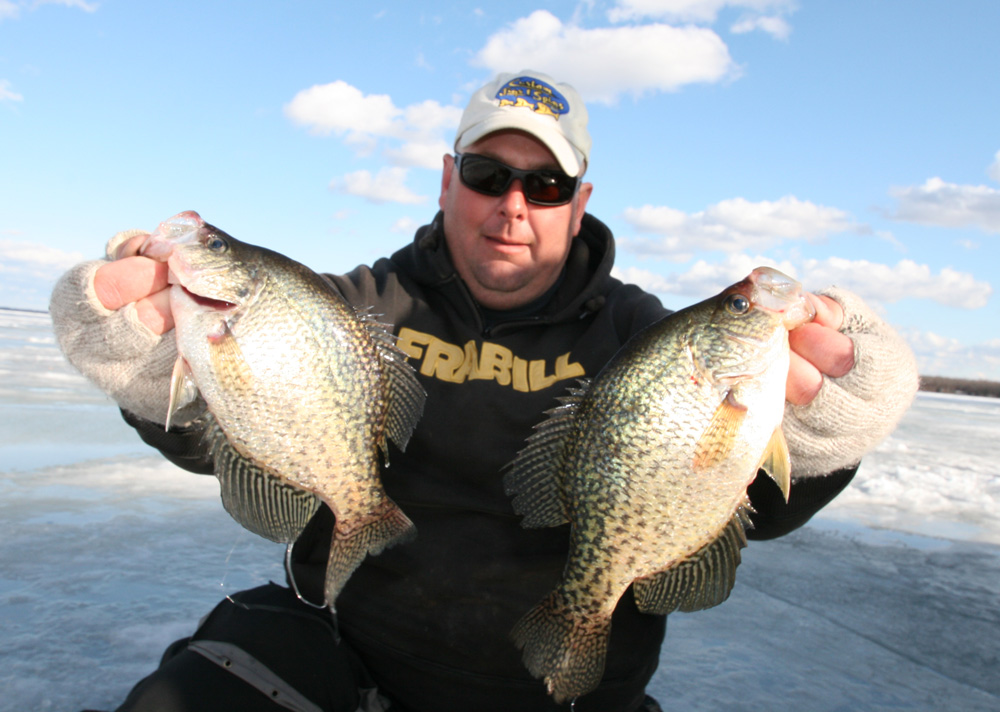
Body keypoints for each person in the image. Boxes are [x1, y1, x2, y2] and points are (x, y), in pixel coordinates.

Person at [51, 71, 918, 712]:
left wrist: (822, 436)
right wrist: (157, 374)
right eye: (486, 174)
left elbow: (748, 505)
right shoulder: (353, 307)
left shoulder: (647, 339)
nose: (513, 206)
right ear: (445, 178)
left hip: (572, 695)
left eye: (543, 186)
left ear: (579, 203)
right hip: (345, 664)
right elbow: (235, 427)